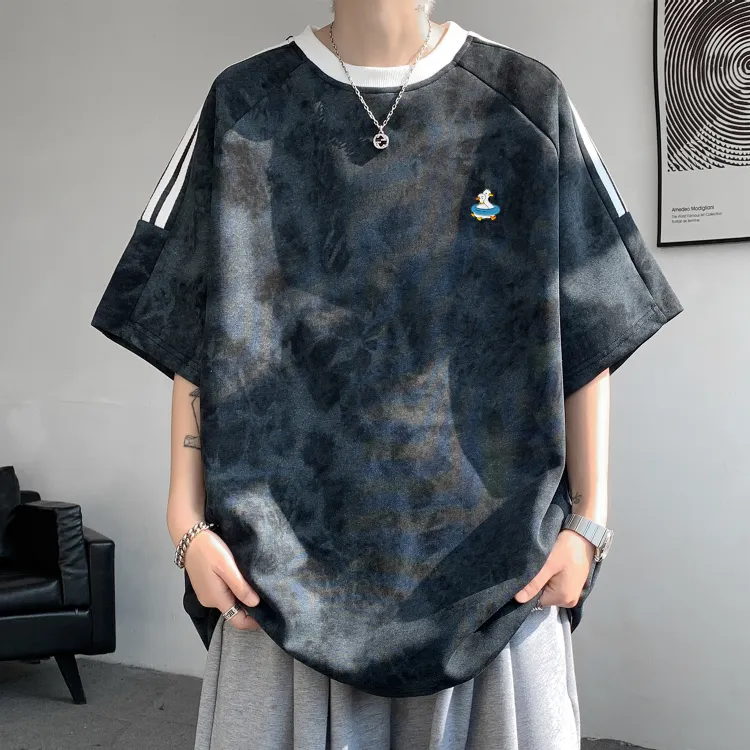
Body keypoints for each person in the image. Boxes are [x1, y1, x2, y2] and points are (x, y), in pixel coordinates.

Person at [91, 1, 684, 748]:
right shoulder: (243, 104)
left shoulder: (526, 99)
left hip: (500, 579)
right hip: (277, 579)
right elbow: (192, 322)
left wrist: (589, 524)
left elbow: (590, 319)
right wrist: (185, 522)